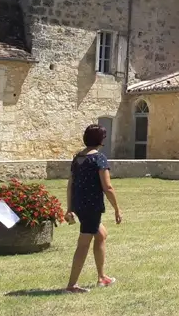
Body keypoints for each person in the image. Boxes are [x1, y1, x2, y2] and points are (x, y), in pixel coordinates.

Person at [64, 124, 123, 293]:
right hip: (92, 207)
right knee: (83, 245)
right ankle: (71, 285)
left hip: (81, 206)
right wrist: (117, 209)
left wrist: (70, 207)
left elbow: (70, 185)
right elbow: (108, 187)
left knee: (101, 235)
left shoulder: (77, 158)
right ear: (100, 140)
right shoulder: (99, 159)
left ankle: (102, 277)